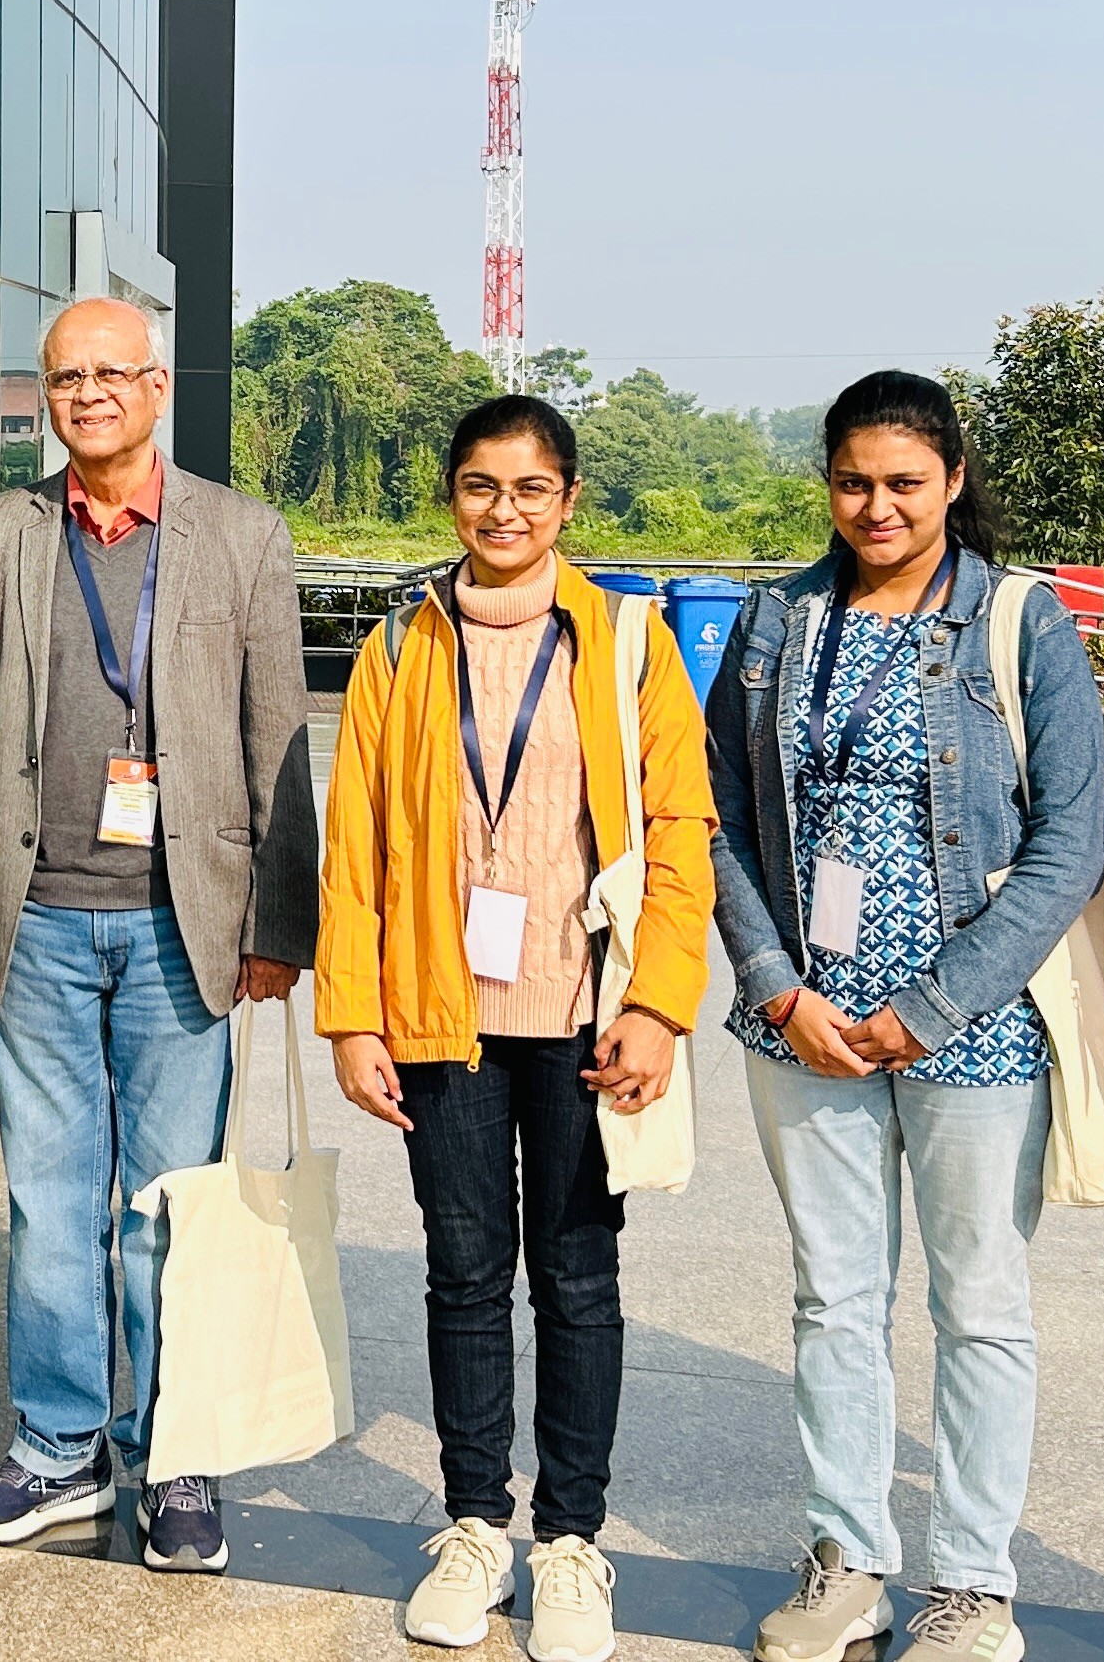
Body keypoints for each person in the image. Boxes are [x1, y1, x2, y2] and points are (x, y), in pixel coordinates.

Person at [0, 294, 322, 1576]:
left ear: (157, 386)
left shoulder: (243, 536)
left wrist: (281, 921)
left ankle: (177, 1453)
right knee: (46, 1196)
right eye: (62, 377)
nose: (85, 394)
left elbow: (277, 740)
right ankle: (57, 1445)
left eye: (110, 373)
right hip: (31, 917)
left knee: (168, 1203)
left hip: (182, 927)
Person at [706, 371, 1104, 1662]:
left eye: (902, 481)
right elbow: (709, 817)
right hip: (805, 1021)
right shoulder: (774, 618)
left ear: (948, 480)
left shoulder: (1018, 621)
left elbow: (1065, 846)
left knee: (978, 1302)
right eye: (851, 479)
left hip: (971, 1026)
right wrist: (775, 981)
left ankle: (975, 1583)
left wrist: (928, 1005)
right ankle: (846, 1557)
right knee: (832, 1297)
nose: (874, 505)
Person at [317, 396, 717, 1662]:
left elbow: (682, 833)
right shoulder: (401, 646)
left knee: (580, 1272)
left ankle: (574, 1543)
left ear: (569, 499)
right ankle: (477, 1523)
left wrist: (659, 1001)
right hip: (444, 1010)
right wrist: (351, 1015)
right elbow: (358, 845)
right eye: (481, 487)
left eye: (531, 489)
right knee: (464, 1267)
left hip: (585, 1010)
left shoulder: (628, 644)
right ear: (452, 495)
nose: (505, 511)